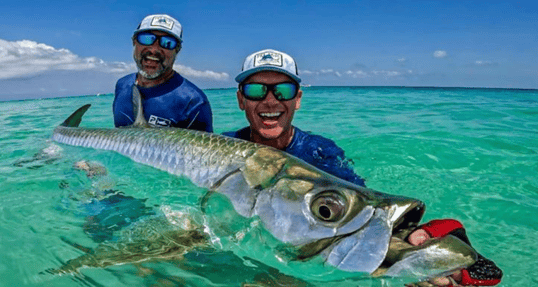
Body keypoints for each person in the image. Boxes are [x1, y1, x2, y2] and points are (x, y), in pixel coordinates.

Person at [224, 49, 502, 287]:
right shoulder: (221, 148)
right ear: (240, 100)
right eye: (256, 90)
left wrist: (404, 240)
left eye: (282, 91)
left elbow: (361, 209)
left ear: (297, 99)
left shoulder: (320, 152)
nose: (270, 101)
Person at [113, 14, 213, 132]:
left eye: (167, 43)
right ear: (134, 42)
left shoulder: (194, 102)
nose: (154, 49)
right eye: (146, 38)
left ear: (177, 50)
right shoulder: (122, 84)